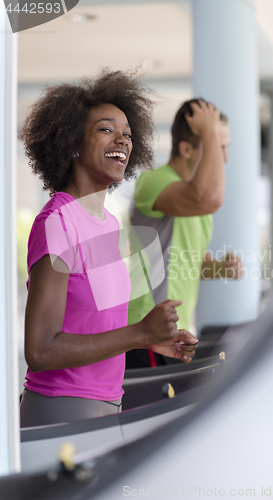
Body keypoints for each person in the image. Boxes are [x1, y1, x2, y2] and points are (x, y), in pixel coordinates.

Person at [19, 70, 198, 427]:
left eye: (128, 134)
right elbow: (40, 350)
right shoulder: (58, 223)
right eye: (106, 129)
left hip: (107, 405)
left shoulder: (107, 222)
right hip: (61, 409)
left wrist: (151, 340)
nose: (123, 141)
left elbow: (93, 322)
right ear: (72, 142)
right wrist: (140, 334)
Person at [127, 99, 243, 368]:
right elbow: (210, 196)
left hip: (175, 336)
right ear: (186, 149)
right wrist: (210, 130)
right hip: (145, 328)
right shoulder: (154, 182)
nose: (224, 157)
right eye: (217, 144)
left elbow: (188, 262)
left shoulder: (196, 201)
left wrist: (220, 269)